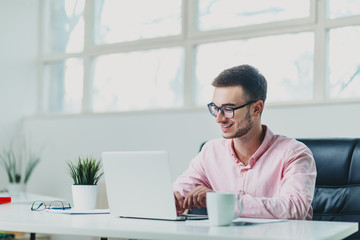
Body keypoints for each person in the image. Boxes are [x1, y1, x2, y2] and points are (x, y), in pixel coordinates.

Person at [173, 64, 317, 219]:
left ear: (256, 109)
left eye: (228, 109)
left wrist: (222, 201)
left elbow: (294, 209)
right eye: (215, 108)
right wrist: (172, 201)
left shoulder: (294, 153)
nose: (219, 119)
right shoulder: (210, 151)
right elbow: (179, 193)